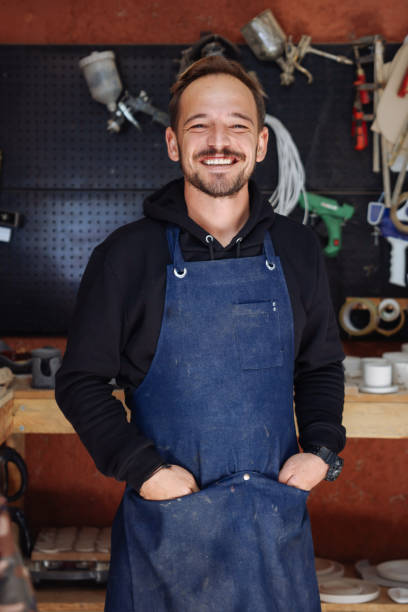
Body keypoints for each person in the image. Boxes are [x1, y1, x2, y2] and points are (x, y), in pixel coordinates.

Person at [55, 55, 345, 612]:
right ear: (172, 143)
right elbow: (81, 382)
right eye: (199, 126)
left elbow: (321, 365)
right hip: (167, 530)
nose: (219, 141)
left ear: (260, 144)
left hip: (272, 525)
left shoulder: (298, 250)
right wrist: (143, 471)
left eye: (237, 125)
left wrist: (323, 449)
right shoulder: (125, 257)